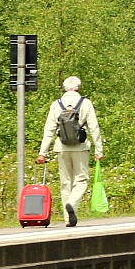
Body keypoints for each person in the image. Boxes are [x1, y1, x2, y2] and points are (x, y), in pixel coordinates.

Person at [37, 76, 103, 227]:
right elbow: (94, 127)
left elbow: (49, 129)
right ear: (78, 88)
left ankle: (68, 218)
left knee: (65, 182)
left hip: (62, 147)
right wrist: (99, 149)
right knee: (81, 179)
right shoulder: (85, 103)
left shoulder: (56, 104)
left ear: (65, 88)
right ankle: (72, 204)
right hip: (80, 147)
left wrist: (43, 153)